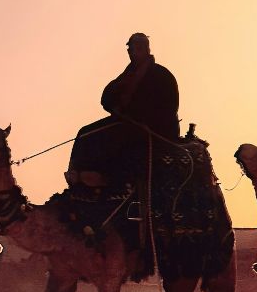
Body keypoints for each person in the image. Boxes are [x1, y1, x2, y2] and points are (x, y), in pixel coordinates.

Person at [66, 32, 179, 191]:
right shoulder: (128, 76)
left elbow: (169, 108)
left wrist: (141, 120)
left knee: (102, 138)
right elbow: (106, 98)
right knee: (85, 132)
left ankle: (103, 179)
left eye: (135, 48)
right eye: (130, 49)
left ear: (145, 48)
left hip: (154, 131)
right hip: (127, 123)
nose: (132, 52)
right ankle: (77, 177)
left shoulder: (162, 75)